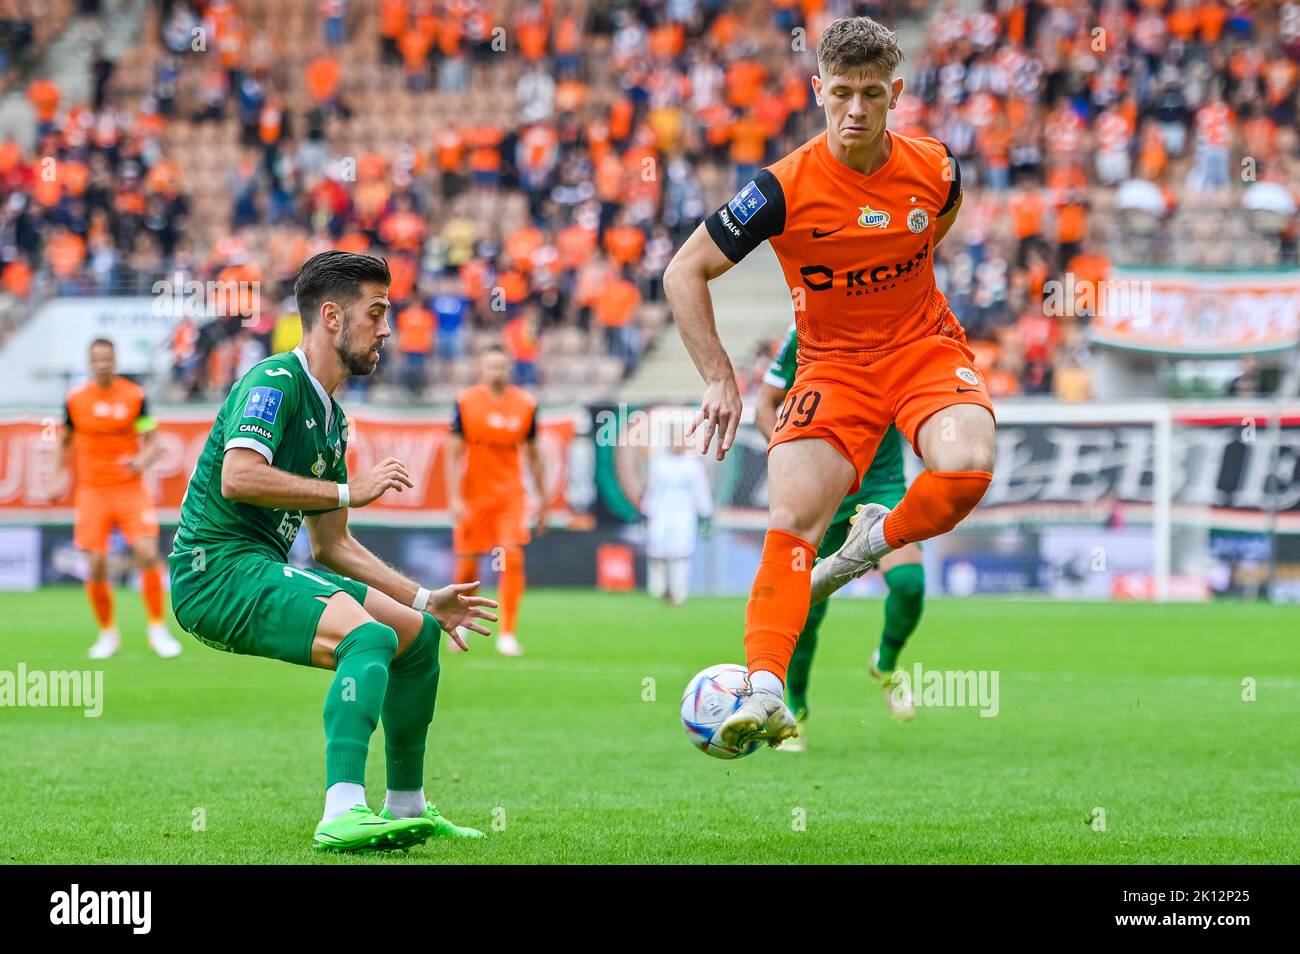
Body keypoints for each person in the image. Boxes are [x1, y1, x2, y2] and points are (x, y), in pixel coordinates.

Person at [663, 16, 995, 751]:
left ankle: (869, 547)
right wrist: (719, 377)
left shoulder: (936, 167)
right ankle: (767, 692)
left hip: (921, 348)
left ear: (895, 94)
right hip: (832, 366)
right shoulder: (781, 188)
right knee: (792, 517)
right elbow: (683, 270)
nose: (854, 110)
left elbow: (935, 223)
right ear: (817, 90)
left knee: (969, 464)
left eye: (871, 94)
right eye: (840, 92)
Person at [168, 251, 497, 853]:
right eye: (375, 313)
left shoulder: (333, 420)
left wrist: (428, 600)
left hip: (261, 566)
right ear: (330, 317)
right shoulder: (274, 381)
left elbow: (332, 545)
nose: (387, 328)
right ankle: (342, 809)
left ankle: (407, 806)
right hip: (214, 573)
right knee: (365, 637)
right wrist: (350, 489)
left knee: (415, 636)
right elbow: (239, 477)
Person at [755, 325, 925, 749]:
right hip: (824, 480)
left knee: (909, 584)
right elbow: (765, 405)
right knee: (806, 603)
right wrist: (793, 462)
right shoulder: (804, 332)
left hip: (880, 486)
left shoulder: (898, 327)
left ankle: (884, 663)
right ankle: (796, 706)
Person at [57, 338, 183, 659]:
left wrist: (141, 460)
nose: (102, 364)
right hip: (92, 491)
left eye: (107, 358)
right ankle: (107, 634)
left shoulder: (134, 397)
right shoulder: (75, 400)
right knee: (96, 563)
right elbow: (64, 441)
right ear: (90, 362)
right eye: (97, 359)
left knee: (146, 552)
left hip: (129, 489)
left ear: (115, 360)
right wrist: (56, 476)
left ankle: (157, 629)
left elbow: (154, 442)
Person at [444, 345, 546, 657]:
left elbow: (534, 455)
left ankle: (508, 633)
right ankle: (461, 623)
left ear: (510, 369)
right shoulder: (465, 402)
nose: (496, 372)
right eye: (491, 366)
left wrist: (543, 500)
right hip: (474, 497)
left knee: (511, 558)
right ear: (481, 369)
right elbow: (452, 451)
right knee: (466, 569)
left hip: (510, 497)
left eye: (501, 366)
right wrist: (453, 498)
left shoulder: (526, 405)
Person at [640, 416, 713, 606]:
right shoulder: (659, 463)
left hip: (684, 513)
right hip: (661, 511)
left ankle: (679, 593)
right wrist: (646, 511)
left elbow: (701, 490)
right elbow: (652, 489)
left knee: (681, 551)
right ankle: (657, 590)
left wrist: (705, 513)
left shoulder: (692, 465)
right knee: (657, 550)